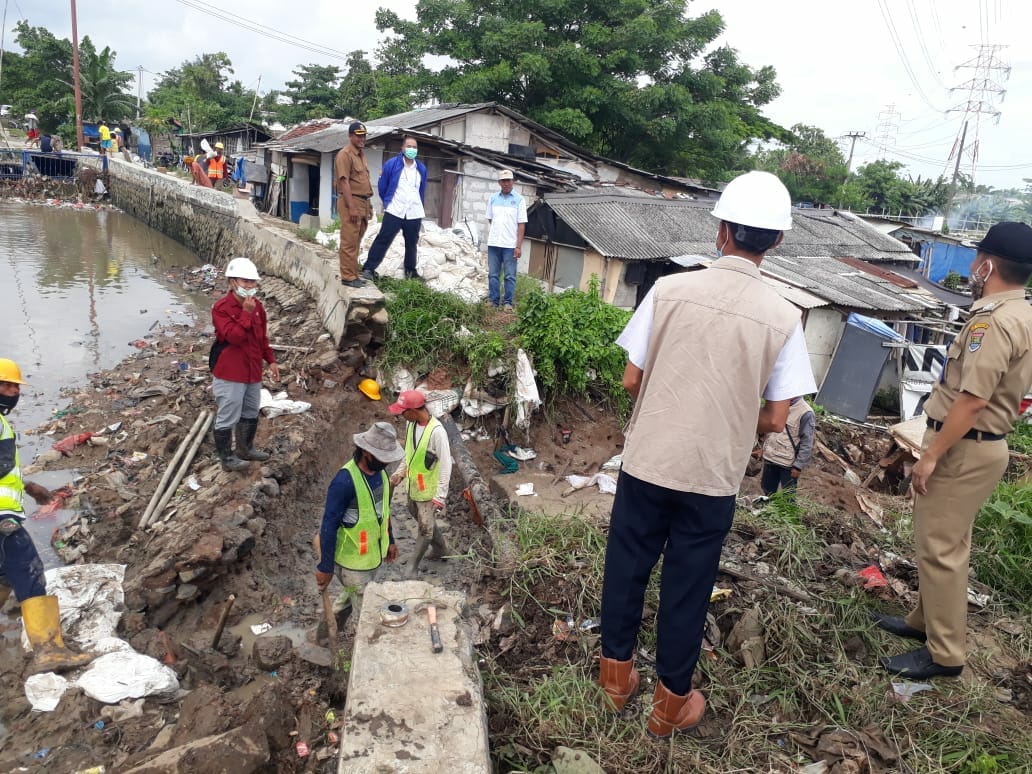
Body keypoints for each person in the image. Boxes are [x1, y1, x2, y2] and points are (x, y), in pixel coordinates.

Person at [598, 171, 816, 737]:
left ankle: (616, 679)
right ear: (778, 242)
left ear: (721, 230)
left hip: (650, 459)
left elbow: (629, 379)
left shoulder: (668, 290)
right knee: (689, 583)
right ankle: (671, 704)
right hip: (713, 475)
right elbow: (775, 418)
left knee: (627, 565)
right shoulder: (785, 318)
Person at [875, 221, 1032, 680]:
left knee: (940, 549)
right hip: (977, 445)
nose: (971, 265)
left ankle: (945, 655)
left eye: (976, 256)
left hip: (963, 445)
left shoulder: (995, 321)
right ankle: (924, 622)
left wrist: (931, 455)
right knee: (945, 544)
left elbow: (973, 399)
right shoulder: (1021, 312)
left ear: (988, 264)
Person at [1, 358, 95, 673]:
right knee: (29, 572)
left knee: (3, 574)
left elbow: (6, 472)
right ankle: (49, 649)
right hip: (3, 518)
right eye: (6, 385)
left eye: (15, 386)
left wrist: (28, 487)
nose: (13, 392)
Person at [315, 422, 404, 620]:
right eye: (382, 458)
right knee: (364, 616)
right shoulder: (344, 482)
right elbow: (328, 526)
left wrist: (390, 540)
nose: (386, 463)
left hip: (371, 556)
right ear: (366, 452)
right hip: (352, 562)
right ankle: (359, 646)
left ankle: (323, 634)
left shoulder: (381, 473)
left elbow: (383, 511)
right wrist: (325, 568)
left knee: (349, 595)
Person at [210, 257, 279, 472]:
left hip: (252, 369)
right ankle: (227, 459)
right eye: (244, 281)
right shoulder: (222, 308)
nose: (249, 286)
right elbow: (234, 337)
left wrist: (271, 360)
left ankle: (245, 448)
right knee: (228, 414)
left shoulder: (258, 307)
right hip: (230, 371)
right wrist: (246, 313)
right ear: (232, 282)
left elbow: (261, 338)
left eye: (252, 282)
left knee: (250, 410)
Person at [387, 390, 453, 577]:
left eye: (403, 411)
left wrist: (440, 496)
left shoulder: (437, 432)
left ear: (414, 411)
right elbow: (410, 453)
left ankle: (412, 567)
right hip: (414, 486)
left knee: (425, 529)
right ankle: (441, 549)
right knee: (422, 520)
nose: (401, 415)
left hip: (429, 492)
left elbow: (446, 465)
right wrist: (400, 473)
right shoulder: (411, 425)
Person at [362, 136, 427, 282]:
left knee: (411, 243)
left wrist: (419, 206)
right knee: (383, 239)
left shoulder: (421, 168)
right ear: (402, 148)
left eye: (414, 147)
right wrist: (388, 203)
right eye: (409, 146)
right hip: (395, 210)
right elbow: (383, 186)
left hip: (413, 212)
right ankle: (369, 268)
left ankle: (410, 272)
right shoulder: (392, 164)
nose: (412, 149)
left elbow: (422, 190)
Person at [335, 122, 374, 288]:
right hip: (351, 200)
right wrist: (351, 207)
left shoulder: (361, 155)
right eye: (358, 135)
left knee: (357, 239)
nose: (361, 138)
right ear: (350, 136)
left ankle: (353, 274)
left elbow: (364, 181)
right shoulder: (345, 155)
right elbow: (344, 182)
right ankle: (348, 276)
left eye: (363, 135)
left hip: (363, 201)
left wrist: (369, 205)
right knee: (349, 240)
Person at [485, 169, 527, 310]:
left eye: (509, 180)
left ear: (513, 181)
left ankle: (508, 302)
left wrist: (518, 246)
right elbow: (491, 219)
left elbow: (521, 225)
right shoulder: (492, 199)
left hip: (510, 245)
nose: (506, 183)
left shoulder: (519, 200)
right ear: (499, 183)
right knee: (493, 274)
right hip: (494, 243)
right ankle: (494, 300)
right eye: (503, 180)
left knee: (509, 275)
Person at [760, 396, 815, 495]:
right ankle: (767, 509)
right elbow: (769, 430)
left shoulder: (806, 413)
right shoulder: (776, 404)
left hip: (788, 464)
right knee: (767, 491)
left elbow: (807, 443)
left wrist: (798, 466)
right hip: (770, 458)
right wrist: (763, 448)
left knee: (788, 497)